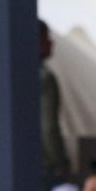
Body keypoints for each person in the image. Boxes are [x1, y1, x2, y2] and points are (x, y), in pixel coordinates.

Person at [38, 20, 69, 182]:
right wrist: (60, 163)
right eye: (46, 38)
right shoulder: (45, 78)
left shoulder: (7, 74)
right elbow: (49, 126)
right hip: (44, 164)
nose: (51, 42)